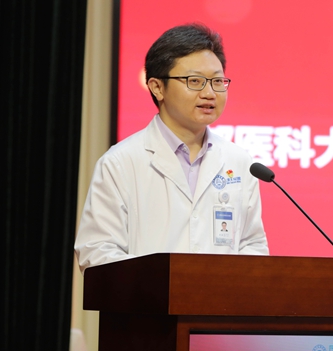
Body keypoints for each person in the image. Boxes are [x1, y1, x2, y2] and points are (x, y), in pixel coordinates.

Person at [74, 23, 268, 271]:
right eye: (195, 81)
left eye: (217, 81)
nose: (210, 93)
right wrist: (161, 282)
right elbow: (97, 250)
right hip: (147, 296)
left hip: (218, 297)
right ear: (157, 87)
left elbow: (252, 244)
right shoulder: (121, 162)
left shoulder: (239, 162)